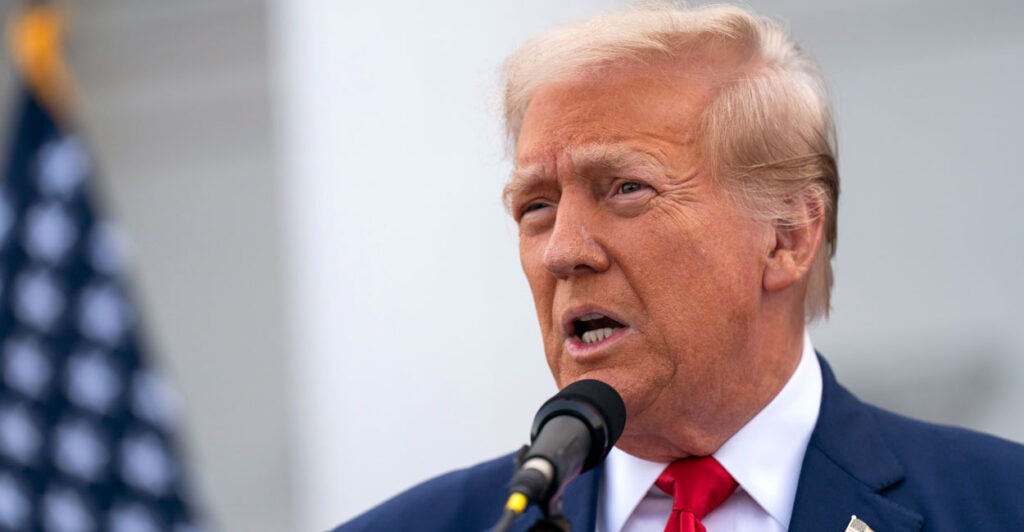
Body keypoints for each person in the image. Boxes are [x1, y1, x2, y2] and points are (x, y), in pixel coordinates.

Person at [337, 4, 1024, 531]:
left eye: (626, 188)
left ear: (788, 236)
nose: (563, 250)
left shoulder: (996, 504)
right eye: (536, 206)